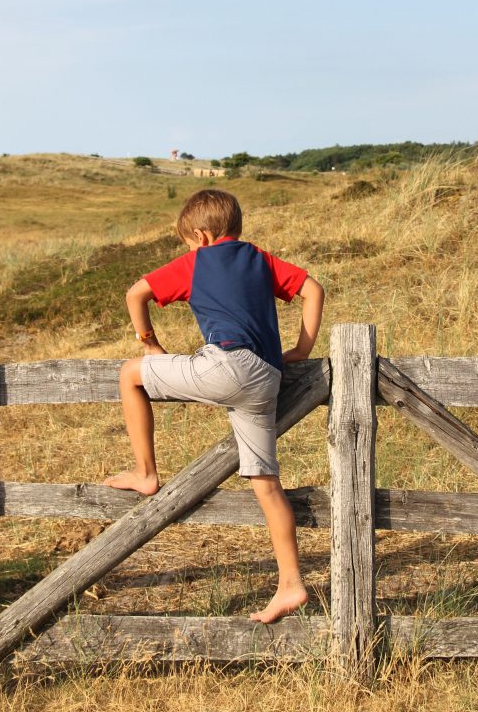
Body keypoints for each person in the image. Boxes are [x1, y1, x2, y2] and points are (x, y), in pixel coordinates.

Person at [103, 188, 324, 623]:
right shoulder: (261, 259)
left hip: (227, 365)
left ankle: (146, 472)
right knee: (266, 485)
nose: (188, 249)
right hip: (267, 377)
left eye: (187, 242)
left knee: (130, 375)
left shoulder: (197, 261)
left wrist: (151, 345)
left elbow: (135, 294)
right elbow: (313, 290)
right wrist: (300, 348)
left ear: (201, 237)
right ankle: (291, 584)